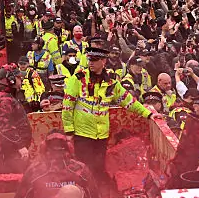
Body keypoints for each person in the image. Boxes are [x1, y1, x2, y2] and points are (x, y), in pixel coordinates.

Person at [62, 43, 160, 187]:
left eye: (95, 60)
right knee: (84, 168)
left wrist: (148, 114)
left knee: (98, 167)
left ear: (103, 61)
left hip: (101, 134)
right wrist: (69, 131)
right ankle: (84, 195)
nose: (91, 63)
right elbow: (67, 106)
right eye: (89, 60)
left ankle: (99, 195)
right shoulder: (77, 79)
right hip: (82, 134)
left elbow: (128, 101)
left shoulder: (111, 82)